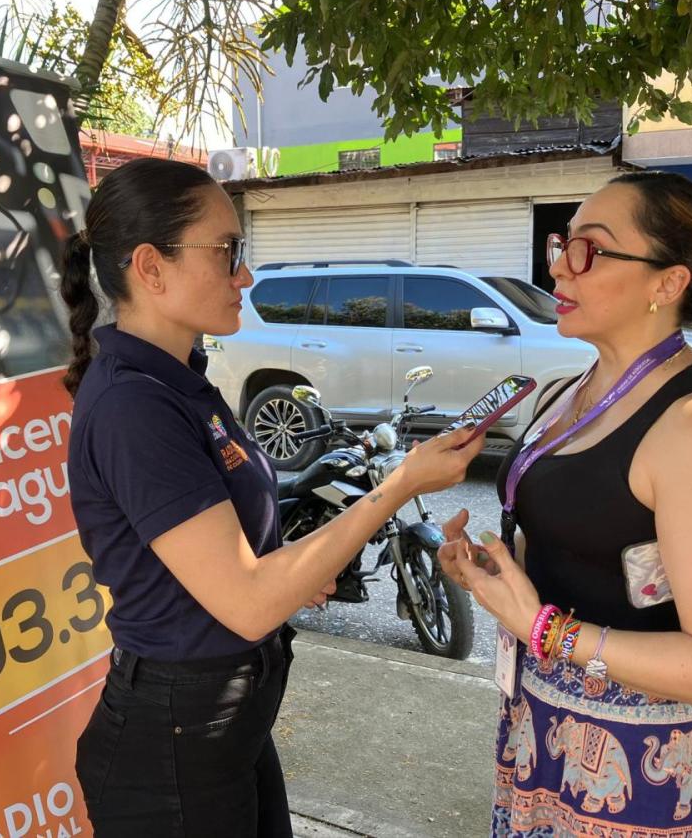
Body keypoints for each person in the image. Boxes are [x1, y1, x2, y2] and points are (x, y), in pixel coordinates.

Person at [59, 157, 483, 837]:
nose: (246, 276)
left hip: (226, 724)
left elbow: (238, 560)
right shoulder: (133, 406)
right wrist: (401, 483)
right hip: (174, 748)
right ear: (151, 267)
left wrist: (297, 569)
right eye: (228, 252)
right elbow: (248, 600)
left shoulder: (181, 381)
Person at [439, 171, 692, 836]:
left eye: (588, 249)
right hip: (541, 729)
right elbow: (582, 543)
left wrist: (545, 631)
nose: (559, 266)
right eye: (562, 244)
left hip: (642, 769)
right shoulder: (568, 388)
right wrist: (498, 571)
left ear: (667, 283)